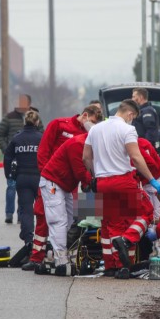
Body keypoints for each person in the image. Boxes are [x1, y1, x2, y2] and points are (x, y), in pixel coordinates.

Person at [83, 99, 160, 280]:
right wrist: (152, 180)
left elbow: (86, 157)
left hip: (102, 183)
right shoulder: (127, 129)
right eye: (132, 118)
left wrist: (95, 176)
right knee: (145, 213)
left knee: (110, 224)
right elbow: (136, 157)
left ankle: (111, 265)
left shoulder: (95, 129)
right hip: (123, 181)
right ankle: (126, 249)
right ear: (130, 114)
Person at [21, 104, 103, 271]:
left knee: (73, 220)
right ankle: (40, 257)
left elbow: (87, 168)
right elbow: (44, 152)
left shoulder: (88, 136)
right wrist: (46, 175)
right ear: (85, 115)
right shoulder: (60, 125)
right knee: (47, 217)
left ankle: (59, 254)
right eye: (93, 122)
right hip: (53, 178)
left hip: (70, 183)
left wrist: (90, 186)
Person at [37, 133, 93, 276]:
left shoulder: (89, 143)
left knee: (70, 220)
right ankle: (61, 259)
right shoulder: (77, 144)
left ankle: (59, 253)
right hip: (53, 182)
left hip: (64, 184)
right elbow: (80, 171)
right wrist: (92, 183)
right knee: (58, 221)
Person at [3, 110, 43, 266]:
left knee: (26, 211)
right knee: (41, 211)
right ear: (37, 122)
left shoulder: (17, 138)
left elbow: (7, 157)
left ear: (24, 122)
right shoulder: (42, 138)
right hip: (39, 179)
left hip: (22, 178)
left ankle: (28, 240)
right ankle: (41, 241)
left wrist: (9, 176)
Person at [0, 94, 42, 224]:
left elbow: (43, 134)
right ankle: (9, 214)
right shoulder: (9, 117)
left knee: (24, 189)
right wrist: (7, 150)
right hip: (14, 158)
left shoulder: (36, 116)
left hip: (30, 160)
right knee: (11, 186)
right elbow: (0, 135)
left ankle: (22, 215)